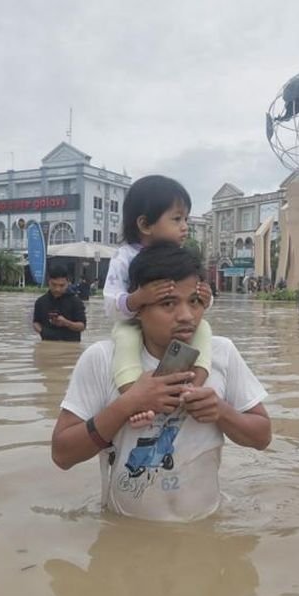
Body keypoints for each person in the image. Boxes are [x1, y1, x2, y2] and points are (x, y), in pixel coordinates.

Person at [50, 242, 271, 522]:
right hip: (126, 537)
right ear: (138, 308)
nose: (186, 316)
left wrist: (222, 412)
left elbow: (263, 437)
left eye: (194, 301)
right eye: (168, 303)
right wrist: (127, 404)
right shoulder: (102, 359)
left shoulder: (222, 353)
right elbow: (61, 454)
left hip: (203, 533)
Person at [102, 175, 213, 428]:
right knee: (126, 339)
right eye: (177, 219)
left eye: (185, 219)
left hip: (171, 332)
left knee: (204, 330)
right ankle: (134, 397)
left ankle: (193, 388)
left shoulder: (183, 258)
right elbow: (110, 303)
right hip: (132, 323)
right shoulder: (124, 258)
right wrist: (138, 298)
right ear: (145, 224)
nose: (185, 226)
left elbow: (196, 299)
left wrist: (206, 298)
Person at [32, 266, 87, 342]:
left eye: (61, 285)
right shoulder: (40, 302)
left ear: (67, 283)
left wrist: (66, 323)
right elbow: (36, 322)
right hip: (47, 345)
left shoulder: (76, 302)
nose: (57, 289)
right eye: (54, 285)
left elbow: (82, 326)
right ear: (49, 282)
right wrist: (42, 331)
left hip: (70, 347)